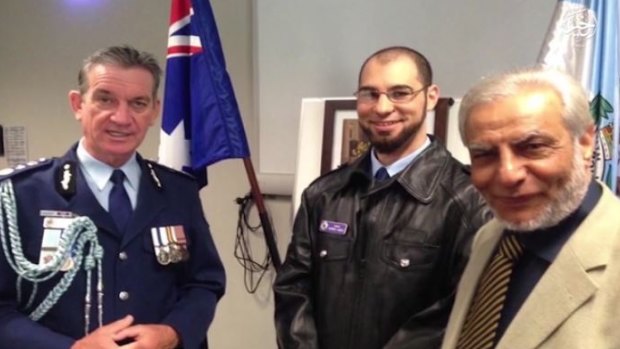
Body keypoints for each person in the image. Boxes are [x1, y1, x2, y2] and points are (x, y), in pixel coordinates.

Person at [0, 45, 225, 349]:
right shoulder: (20, 195)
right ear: (78, 104)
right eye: (105, 99)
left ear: (154, 111)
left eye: (137, 103)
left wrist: (173, 332)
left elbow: (205, 282)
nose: (121, 117)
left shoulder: (178, 191)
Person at [274, 46, 490, 349]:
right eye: (370, 94)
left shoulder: (468, 200)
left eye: (400, 93)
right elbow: (293, 290)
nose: (383, 107)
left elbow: (462, 311)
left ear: (430, 97)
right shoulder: (324, 194)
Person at [441, 68, 620, 349]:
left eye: (533, 146)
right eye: (484, 154)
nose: (508, 174)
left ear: (585, 143)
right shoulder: (488, 239)